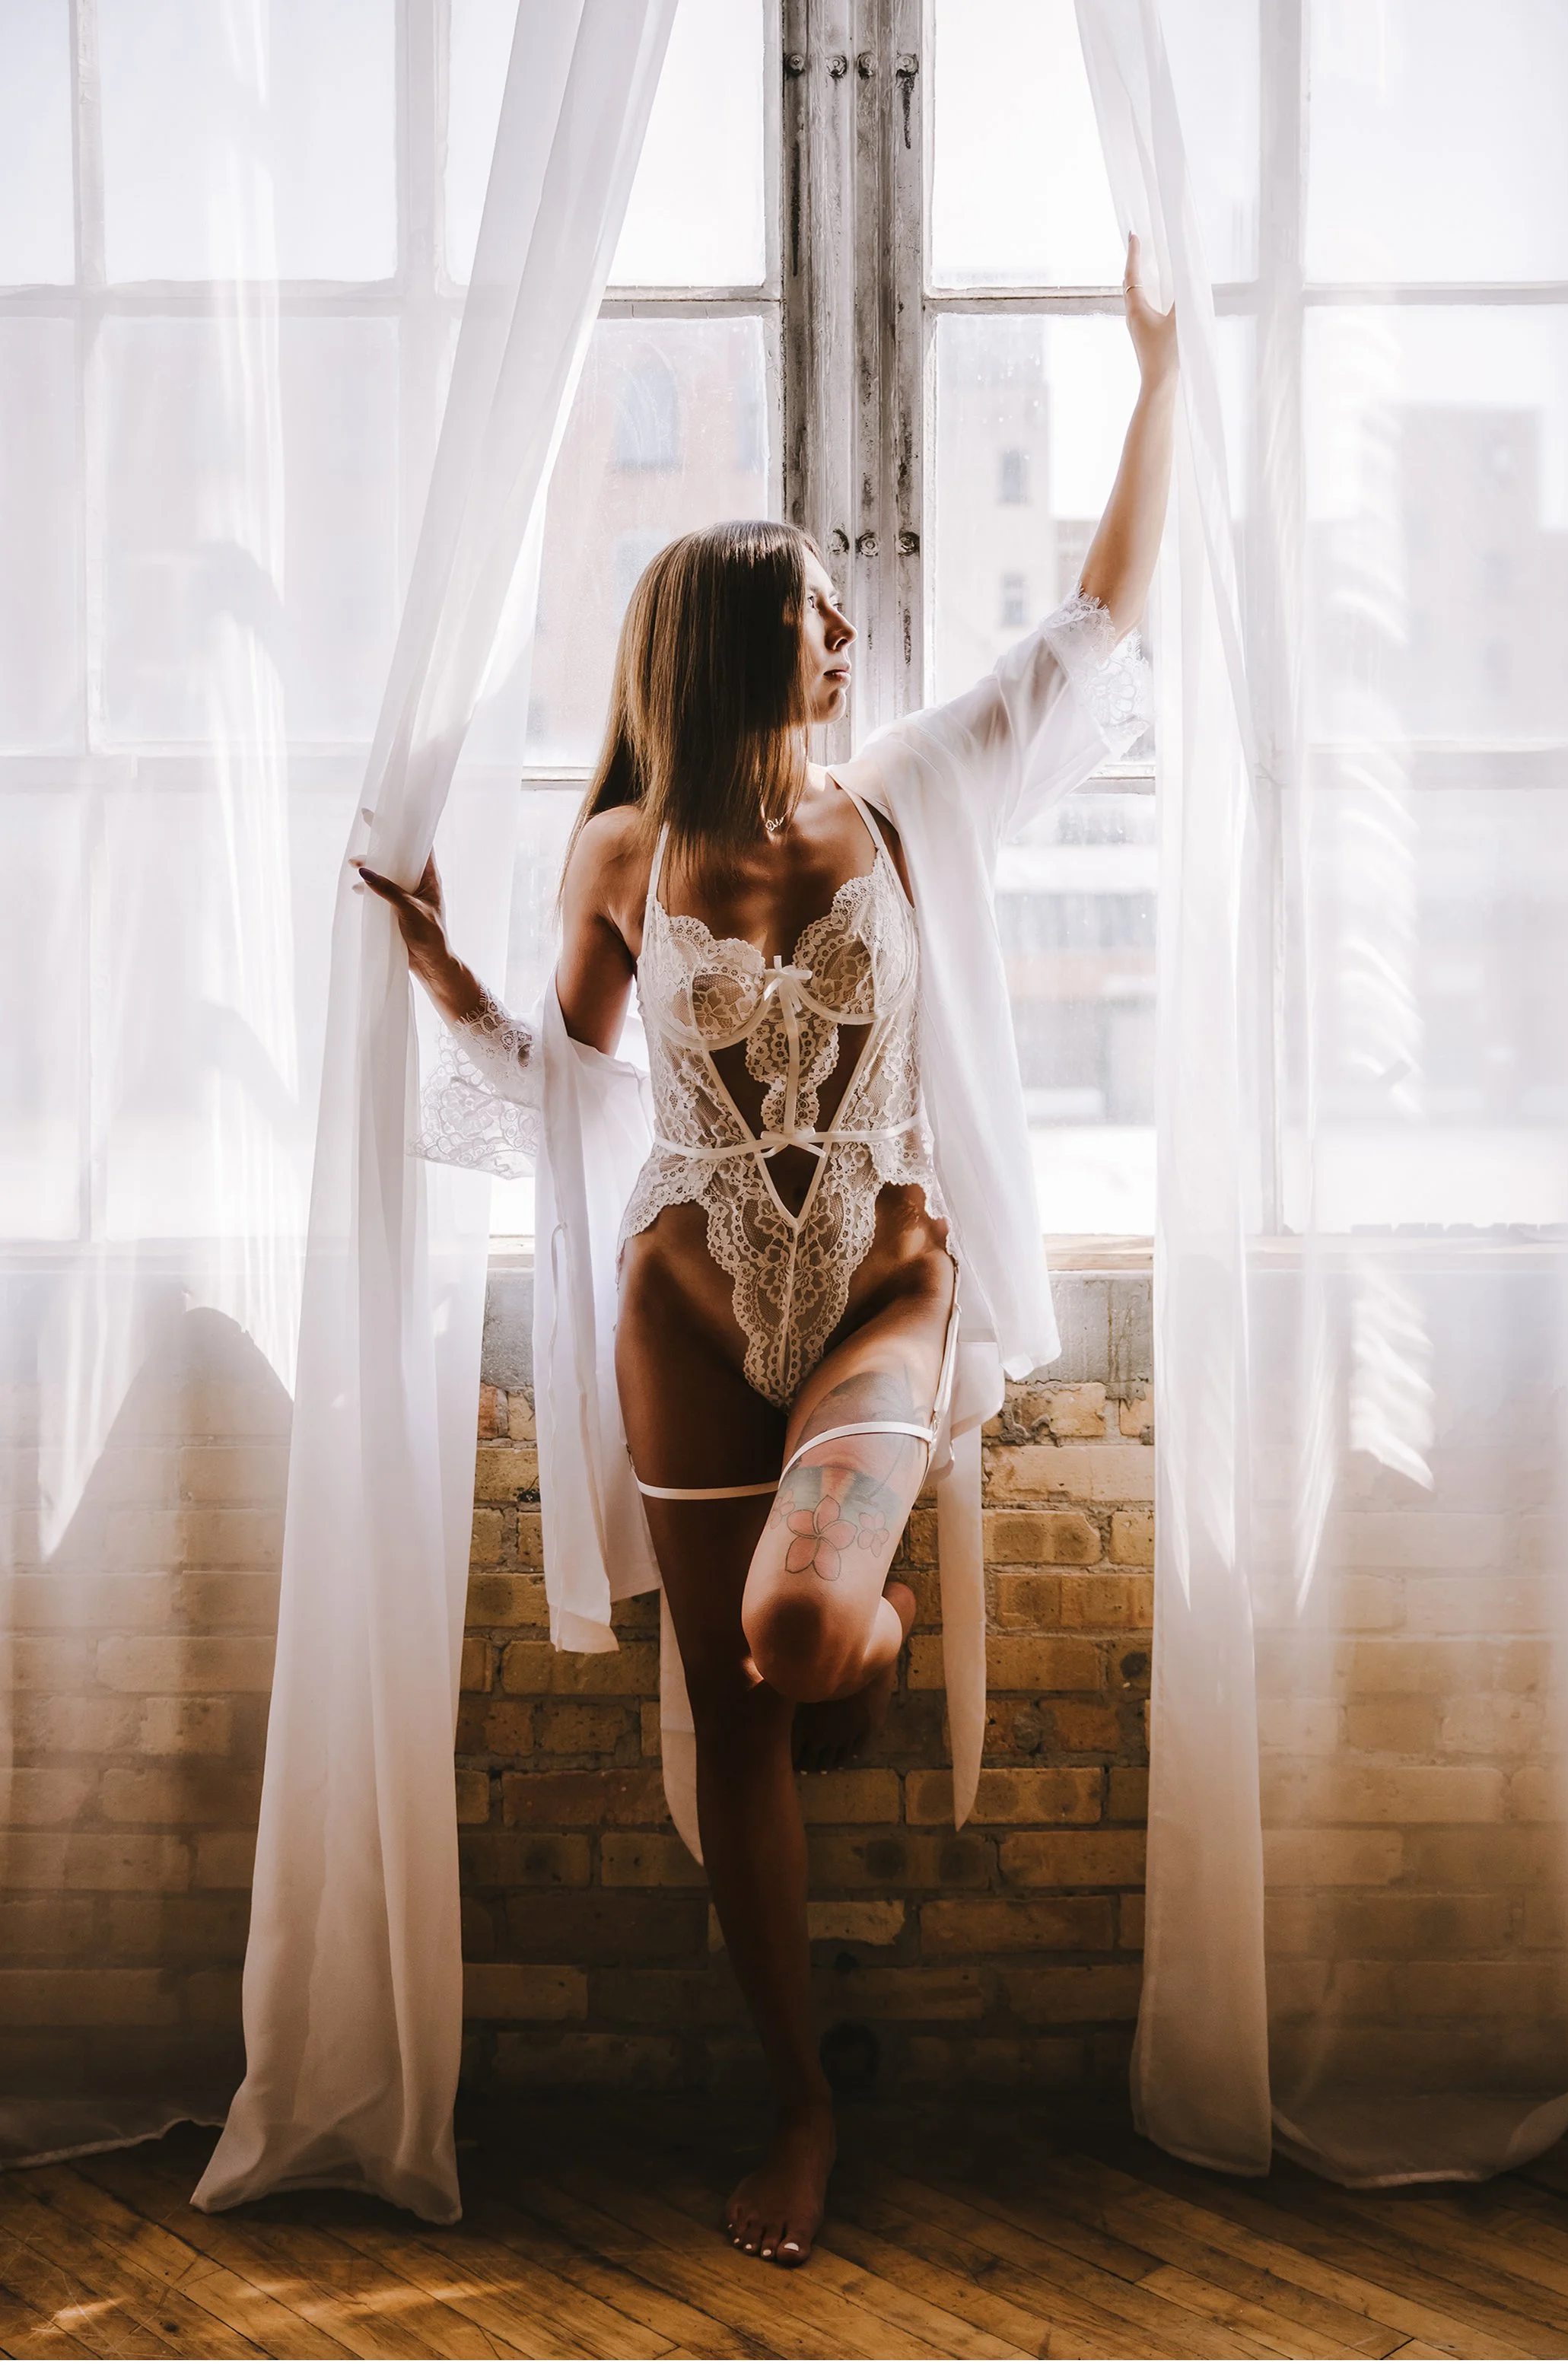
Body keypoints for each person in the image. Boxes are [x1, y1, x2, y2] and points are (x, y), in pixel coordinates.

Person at [360, 234, 1175, 2267]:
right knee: (733, 1712)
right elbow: (572, 1078)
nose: (845, 628)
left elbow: (1088, 633)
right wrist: (451, 970)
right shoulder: (623, 855)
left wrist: (1159, 379)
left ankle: (853, 1643)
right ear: (729, 644)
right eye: (811, 606)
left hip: (883, 1291)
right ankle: (803, 2098)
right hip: (686, 1308)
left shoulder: (903, 807)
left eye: (839, 600)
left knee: (800, 1640)